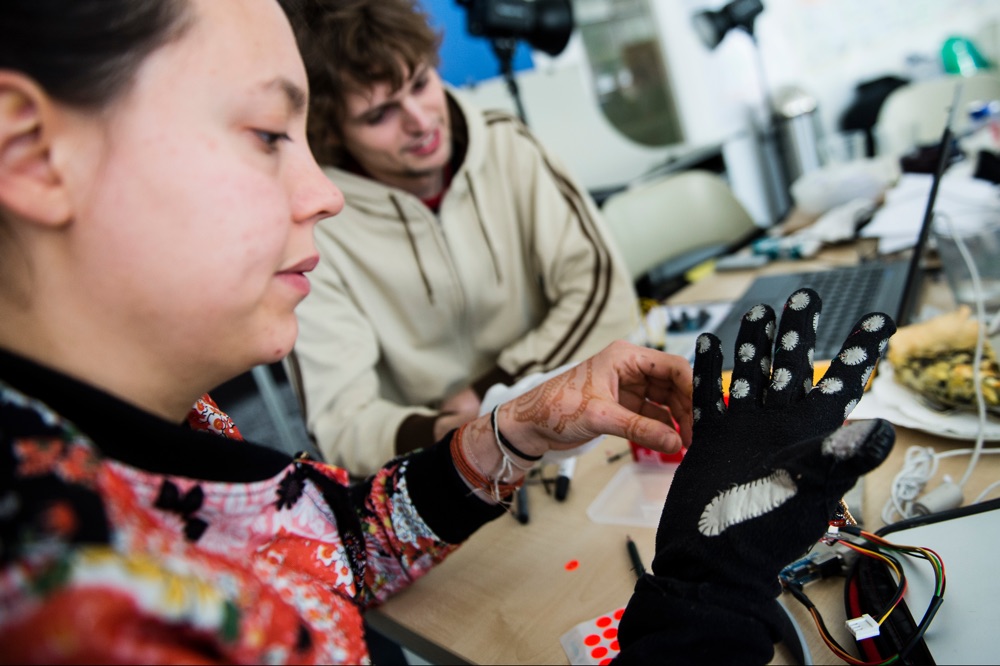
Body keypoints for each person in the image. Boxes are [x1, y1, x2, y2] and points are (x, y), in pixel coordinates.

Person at [0, 0, 898, 663]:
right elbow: (344, 433)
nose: (323, 195)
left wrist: (509, 430)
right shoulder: (74, 603)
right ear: (33, 151)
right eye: (269, 133)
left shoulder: (171, 427)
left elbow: (327, 545)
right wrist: (709, 596)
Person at [285, 0, 641, 476]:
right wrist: (465, 434)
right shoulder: (315, 231)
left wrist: (494, 394)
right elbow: (343, 425)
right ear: (331, 130)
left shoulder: (508, 145)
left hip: (576, 436)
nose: (419, 120)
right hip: (444, 468)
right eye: (380, 114)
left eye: (420, 83)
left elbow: (604, 293)